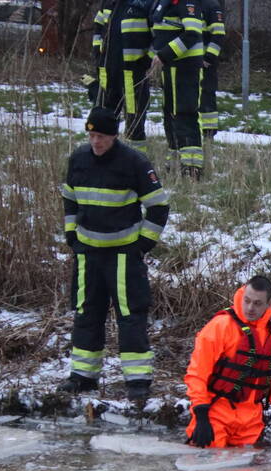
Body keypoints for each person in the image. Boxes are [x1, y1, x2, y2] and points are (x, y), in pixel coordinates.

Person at [58, 108, 169, 401]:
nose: (96, 142)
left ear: (114, 136)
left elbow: (159, 206)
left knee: (130, 316)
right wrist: (72, 235)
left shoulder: (134, 162)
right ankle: (82, 376)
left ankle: (137, 381)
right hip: (87, 254)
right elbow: (69, 199)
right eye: (92, 135)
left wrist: (142, 244)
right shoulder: (79, 159)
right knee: (86, 312)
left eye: (102, 137)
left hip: (122, 255)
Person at [185, 276, 271, 448]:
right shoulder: (220, 327)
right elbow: (197, 374)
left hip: (251, 422)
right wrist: (201, 415)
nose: (250, 308)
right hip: (215, 416)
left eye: (257, 303)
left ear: (269, 303)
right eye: (247, 301)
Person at [149, 0, 205, 179]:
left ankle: (192, 168)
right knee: (171, 115)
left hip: (185, 67)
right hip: (171, 67)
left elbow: (192, 34)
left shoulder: (188, 3)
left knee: (185, 114)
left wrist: (164, 55)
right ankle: (175, 162)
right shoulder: (164, 3)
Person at [91, 0, 153, 153]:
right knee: (106, 116)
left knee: (135, 119)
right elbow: (98, 26)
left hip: (133, 71)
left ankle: (137, 160)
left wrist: (148, 58)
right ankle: (107, 156)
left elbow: (159, 34)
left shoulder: (145, 3)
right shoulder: (109, 3)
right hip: (109, 70)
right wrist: (97, 51)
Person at [199, 0, 226, 138]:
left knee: (207, 96)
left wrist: (208, 57)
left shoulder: (210, 5)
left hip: (206, 63)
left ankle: (209, 134)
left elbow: (218, 34)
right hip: (190, 62)